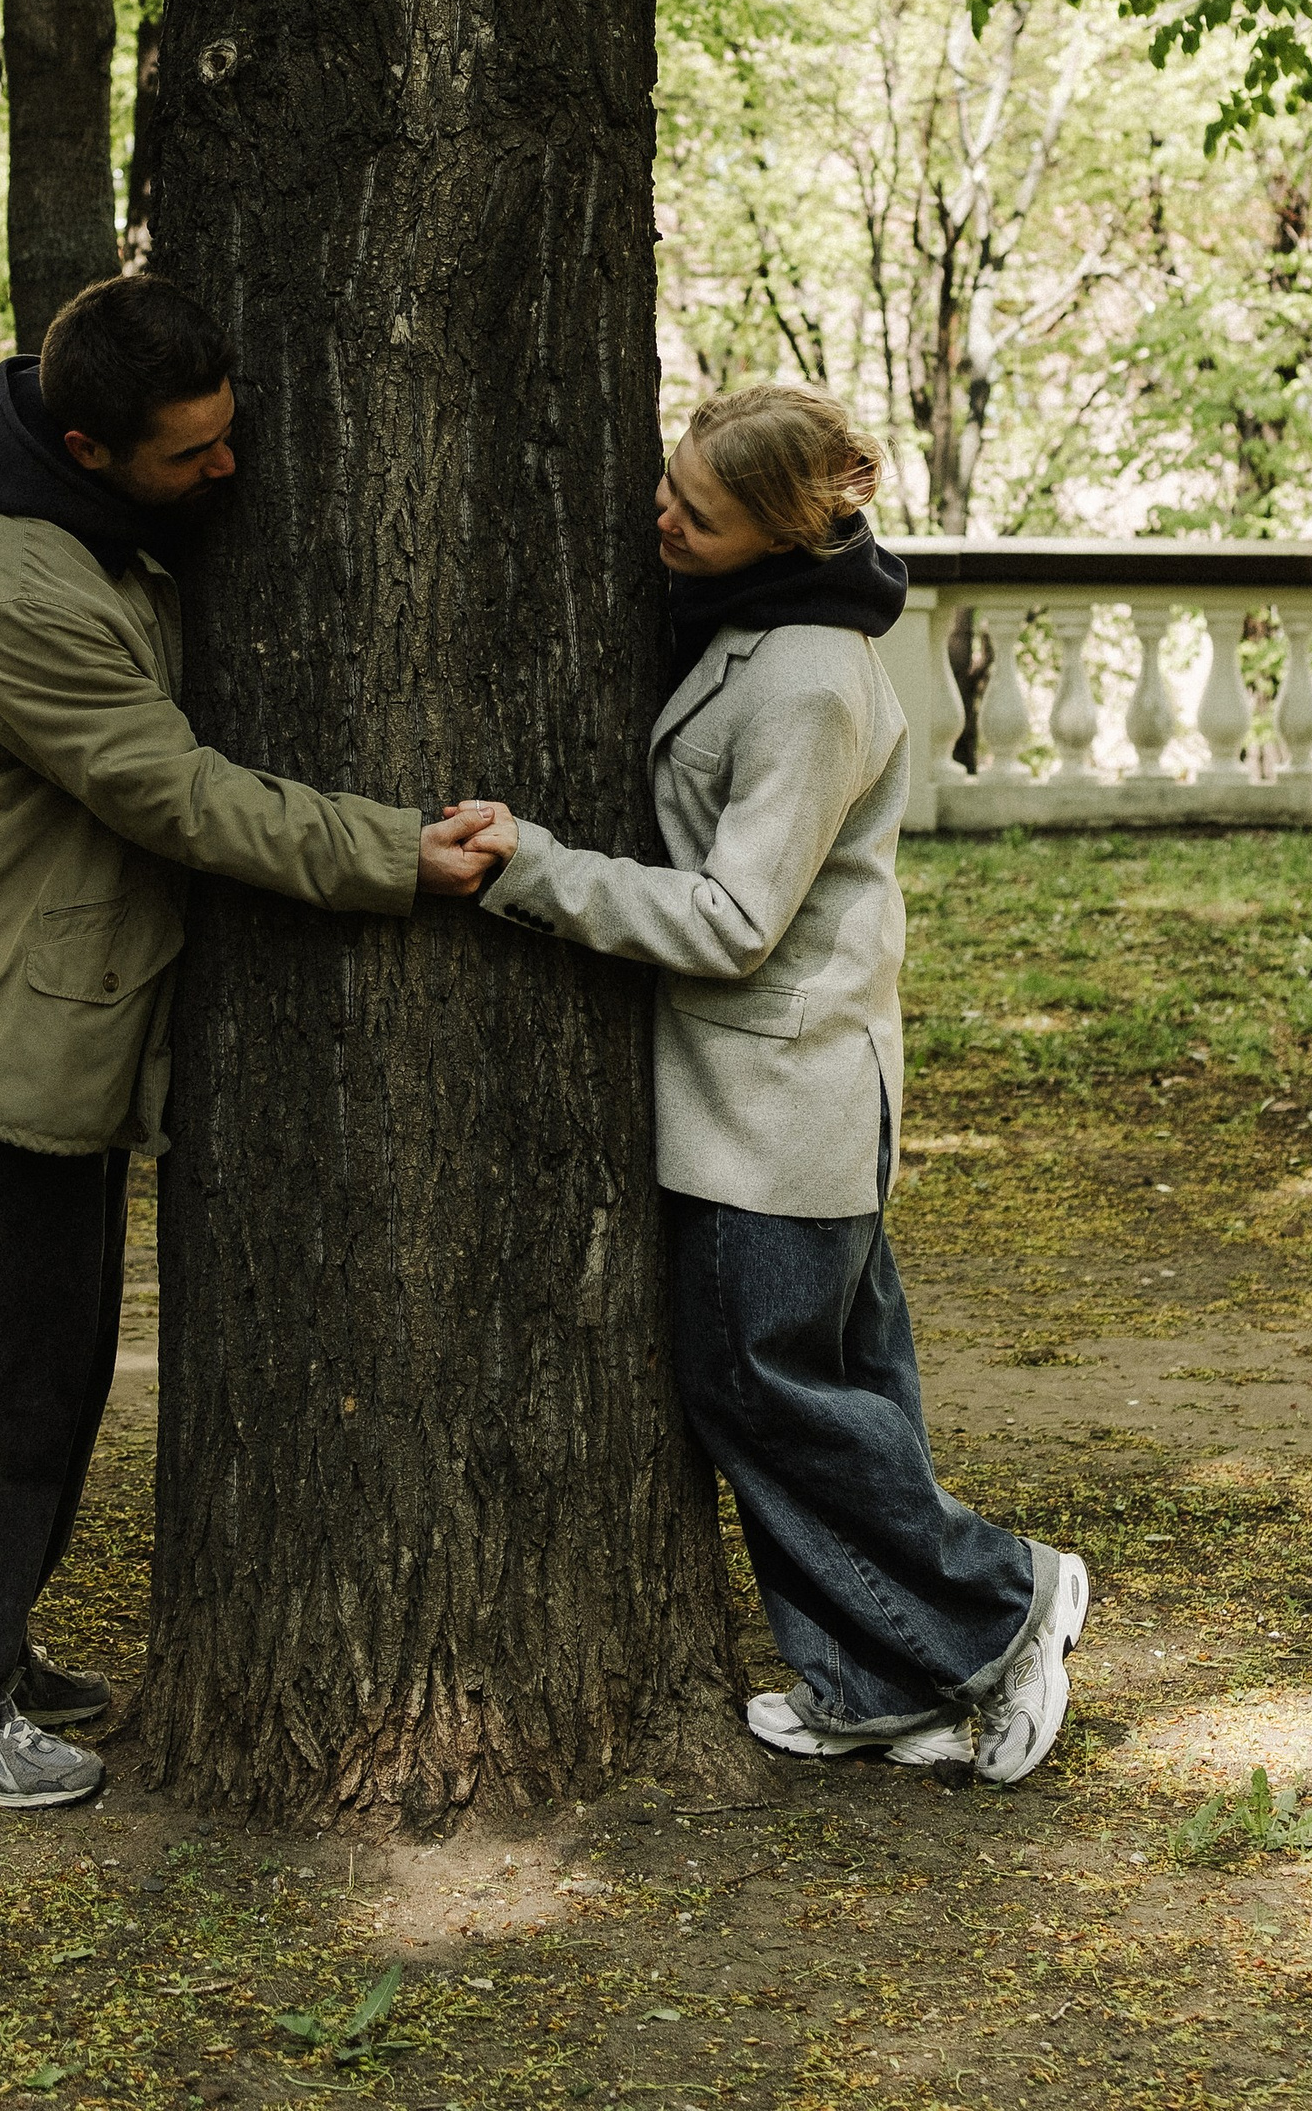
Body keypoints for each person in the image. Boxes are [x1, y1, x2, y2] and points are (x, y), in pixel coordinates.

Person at [0, 272, 504, 1813]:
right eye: (189, 455)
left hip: (53, 1032)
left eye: (228, 438)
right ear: (86, 445)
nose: (227, 474)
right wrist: (388, 852)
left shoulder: (89, 534)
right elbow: (177, 793)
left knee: (48, 1374)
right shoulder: (17, 589)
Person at [461, 384, 1090, 1787]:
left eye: (699, 508)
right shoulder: (764, 622)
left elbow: (737, 924)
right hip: (787, 1087)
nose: (663, 519)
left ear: (788, 529)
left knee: (759, 1390)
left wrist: (537, 872)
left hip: (778, 1096)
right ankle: (875, 1684)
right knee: (840, 1386)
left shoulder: (809, 674)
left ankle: (1004, 1604)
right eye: (672, 484)